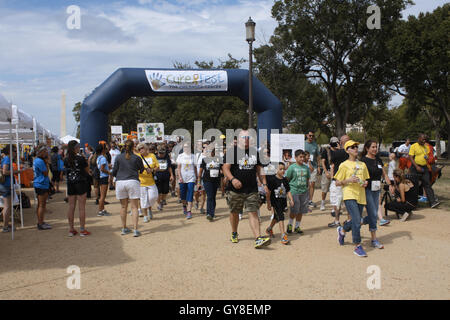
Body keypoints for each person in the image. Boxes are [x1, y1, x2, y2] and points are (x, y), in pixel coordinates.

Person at [222, 129, 271, 248]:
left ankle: (258, 238)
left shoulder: (255, 152)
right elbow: (225, 168)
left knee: (253, 212)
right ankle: (234, 232)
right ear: (238, 139)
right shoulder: (232, 152)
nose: (246, 140)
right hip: (235, 190)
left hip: (252, 189)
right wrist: (233, 179)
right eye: (244, 137)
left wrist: (264, 184)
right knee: (234, 212)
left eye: (248, 137)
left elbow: (259, 170)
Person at [334, 140, 371, 257]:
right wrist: (348, 180)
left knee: (357, 221)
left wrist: (365, 183)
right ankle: (357, 246)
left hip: (361, 195)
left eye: (356, 146)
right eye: (352, 147)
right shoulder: (344, 165)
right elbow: (337, 183)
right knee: (356, 219)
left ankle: (342, 230)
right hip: (349, 194)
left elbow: (366, 180)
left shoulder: (362, 165)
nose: (356, 148)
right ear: (347, 150)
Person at [112, 140, 146, 237]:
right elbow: (142, 169)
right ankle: (135, 229)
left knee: (123, 207)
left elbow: (114, 171)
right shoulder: (136, 157)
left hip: (120, 182)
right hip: (132, 181)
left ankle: (124, 228)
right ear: (133, 147)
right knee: (134, 207)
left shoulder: (118, 157)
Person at [359, 140, 388, 248]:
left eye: (376, 147)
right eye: (373, 147)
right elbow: (359, 176)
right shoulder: (363, 161)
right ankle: (374, 239)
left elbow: (384, 173)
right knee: (373, 213)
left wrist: (390, 184)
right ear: (367, 148)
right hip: (367, 190)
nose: (375, 149)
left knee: (373, 215)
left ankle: (352, 224)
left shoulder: (378, 160)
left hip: (376, 189)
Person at [64, 140, 91, 237]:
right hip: (80, 182)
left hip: (70, 183)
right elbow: (87, 170)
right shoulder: (80, 158)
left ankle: (71, 229)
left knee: (71, 206)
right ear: (76, 147)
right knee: (81, 207)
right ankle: (82, 229)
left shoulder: (66, 159)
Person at [265, 162, 294, 245]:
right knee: (281, 217)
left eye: (284, 169)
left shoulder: (285, 180)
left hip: (283, 202)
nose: (282, 171)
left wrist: (291, 199)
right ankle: (283, 235)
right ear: (276, 170)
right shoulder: (272, 180)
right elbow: (269, 193)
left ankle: (269, 229)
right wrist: (268, 203)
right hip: (275, 202)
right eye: (280, 169)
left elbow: (288, 191)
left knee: (276, 217)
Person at [408, 133, 439, 208]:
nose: (424, 141)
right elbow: (411, 157)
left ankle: (432, 202)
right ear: (419, 138)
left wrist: (427, 159)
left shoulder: (426, 147)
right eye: (423, 139)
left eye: (425, 139)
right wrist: (416, 166)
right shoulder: (413, 146)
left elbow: (427, 157)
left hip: (424, 167)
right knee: (414, 185)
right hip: (415, 167)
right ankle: (412, 203)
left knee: (427, 184)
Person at [285, 149, 310, 235]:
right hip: (294, 191)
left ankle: (297, 226)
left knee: (301, 210)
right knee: (294, 210)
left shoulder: (306, 167)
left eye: (303, 157)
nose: (302, 158)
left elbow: (307, 179)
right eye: (300, 157)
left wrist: (307, 190)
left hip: (304, 191)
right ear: (295, 158)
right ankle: (290, 225)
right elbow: (287, 179)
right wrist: (288, 191)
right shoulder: (292, 167)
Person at [327, 135, 350, 228]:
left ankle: (337, 220)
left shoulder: (337, 153)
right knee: (348, 201)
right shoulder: (352, 153)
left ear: (340, 142)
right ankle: (349, 220)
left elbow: (331, 162)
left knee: (337, 202)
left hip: (338, 180)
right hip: (349, 180)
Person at [1, 145, 23, 232]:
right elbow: (5, 171)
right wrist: (16, 172)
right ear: (10, 151)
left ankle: (6, 224)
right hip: (6, 185)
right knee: (7, 206)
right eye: (14, 151)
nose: (15, 153)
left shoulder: (6, 158)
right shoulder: (7, 159)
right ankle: (5, 226)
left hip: (6, 185)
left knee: (7, 206)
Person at [137, 143, 159, 223]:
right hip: (141, 182)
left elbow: (157, 166)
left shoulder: (152, 155)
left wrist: (152, 170)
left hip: (151, 181)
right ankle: (145, 215)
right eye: (139, 149)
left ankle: (149, 207)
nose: (140, 150)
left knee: (153, 197)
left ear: (146, 148)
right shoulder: (137, 157)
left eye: (142, 148)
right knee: (143, 199)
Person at [199, 143, 221, 221]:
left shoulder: (219, 159)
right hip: (207, 180)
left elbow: (222, 169)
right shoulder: (204, 159)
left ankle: (213, 212)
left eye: (212, 151)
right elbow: (200, 171)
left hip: (216, 180)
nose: (211, 152)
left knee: (213, 197)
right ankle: (209, 214)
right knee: (210, 196)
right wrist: (199, 182)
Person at [177, 142, 197, 219]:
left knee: (190, 192)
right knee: (183, 194)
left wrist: (197, 177)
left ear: (190, 148)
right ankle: (184, 205)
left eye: (188, 147)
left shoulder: (193, 156)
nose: (186, 148)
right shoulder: (180, 156)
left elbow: (195, 168)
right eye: (185, 147)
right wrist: (180, 177)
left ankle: (189, 211)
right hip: (182, 177)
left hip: (191, 177)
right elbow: (178, 168)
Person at [33, 144, 51, 230]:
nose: (46, 152)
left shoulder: (37, 160)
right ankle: (40, 223)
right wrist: (47, 163)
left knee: (41, 205)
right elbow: (45, 173)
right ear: (40, 152)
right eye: (44, 151)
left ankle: (41, 221)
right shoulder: (40, 161)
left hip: (40, 184)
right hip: (41, 184)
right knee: (42, 205)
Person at [320, 137, 339, 211]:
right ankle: (322, 202)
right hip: (327, 171)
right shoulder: (326, 151)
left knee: (335, 190)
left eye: (336, 142)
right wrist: (326, 172)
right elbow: (323, 162)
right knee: (324, 189)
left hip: (336, 173)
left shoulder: (339, 151)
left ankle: (334, 207)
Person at [304, 130, 321, 208]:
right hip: (303, 167)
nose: (311, 137)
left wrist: (318, 166)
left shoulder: (315, 145)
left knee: (312, 184)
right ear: (307, 135)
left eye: (312, 136)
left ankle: (310, 200)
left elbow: (318, 156)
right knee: (305, 184)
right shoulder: (303, 143)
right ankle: (304, 200)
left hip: (313, 167)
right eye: (310, 135)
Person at [155, 145, 173, 211]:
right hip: (157, 176)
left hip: (165, 175)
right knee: (158, 191)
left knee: (165, 190)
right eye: (160, 153)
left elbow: (169, 167)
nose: (162, 154)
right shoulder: (155, 158)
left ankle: (163, 200)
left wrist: (171, 175)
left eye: (163, 153)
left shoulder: (167, 158)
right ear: (157, 152)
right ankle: (159, 204)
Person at [96, 144, 111, 217]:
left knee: (102, 195)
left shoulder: (99, 157)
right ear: (103, 150)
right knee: (103, 196)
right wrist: (109, 172)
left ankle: (102, 209)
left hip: (101, 177)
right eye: (105, 149)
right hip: (104, 177)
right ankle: (100, 210)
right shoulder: (103, 158)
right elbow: (102, 169)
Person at [194, 141, 207, 214]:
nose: (206, 148)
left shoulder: (210, 156)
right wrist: (195, 176)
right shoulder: (198, 155)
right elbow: (195, 166)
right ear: (202, 148)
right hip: (198, 177)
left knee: (203, 193)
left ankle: (202, 207)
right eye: (204, 147)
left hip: (206, 178)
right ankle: (196, 201)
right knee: (196, 192)